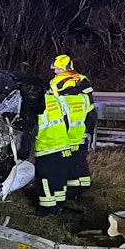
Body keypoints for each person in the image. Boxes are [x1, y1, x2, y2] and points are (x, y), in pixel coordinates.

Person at [33, 88, 72, 216]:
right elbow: (66, 121)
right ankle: (59, 206)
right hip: (64, 146)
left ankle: (47, 210)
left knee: (45, 181)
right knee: (59, 179)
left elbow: (32, 129)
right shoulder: (56, 99)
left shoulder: (34, 103)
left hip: (47, 149)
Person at [55, 78, 94, 202]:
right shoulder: (84, 99)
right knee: (80, 163)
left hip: (68, 139)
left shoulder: (61, 101)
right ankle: (82, 189)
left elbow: (62, 122)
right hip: (81, 138)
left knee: (67, 166)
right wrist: (90, 133)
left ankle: (70, 193)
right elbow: (91, 117)